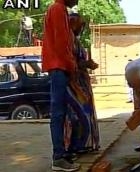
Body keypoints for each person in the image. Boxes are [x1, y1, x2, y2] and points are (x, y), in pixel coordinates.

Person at [41, 0, 80, 171]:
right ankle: (58, 158)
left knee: (62, 112)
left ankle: (62, 153)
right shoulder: (57, 9)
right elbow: (62, 43)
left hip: (60, 66)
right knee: (58, 113)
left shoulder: (59, 9)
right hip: (59, 67)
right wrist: (72, 67)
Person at [64, 12, 100, 158]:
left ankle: (84, 145)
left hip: (82, 84)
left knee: (86, 114)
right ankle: (75, 146)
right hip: (75, 85)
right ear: (72, 23)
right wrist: (87, 64)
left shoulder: (76, 40)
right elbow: (70, 62)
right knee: (78, 116)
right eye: (81, 24)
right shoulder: (69, 40)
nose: (82, 27)